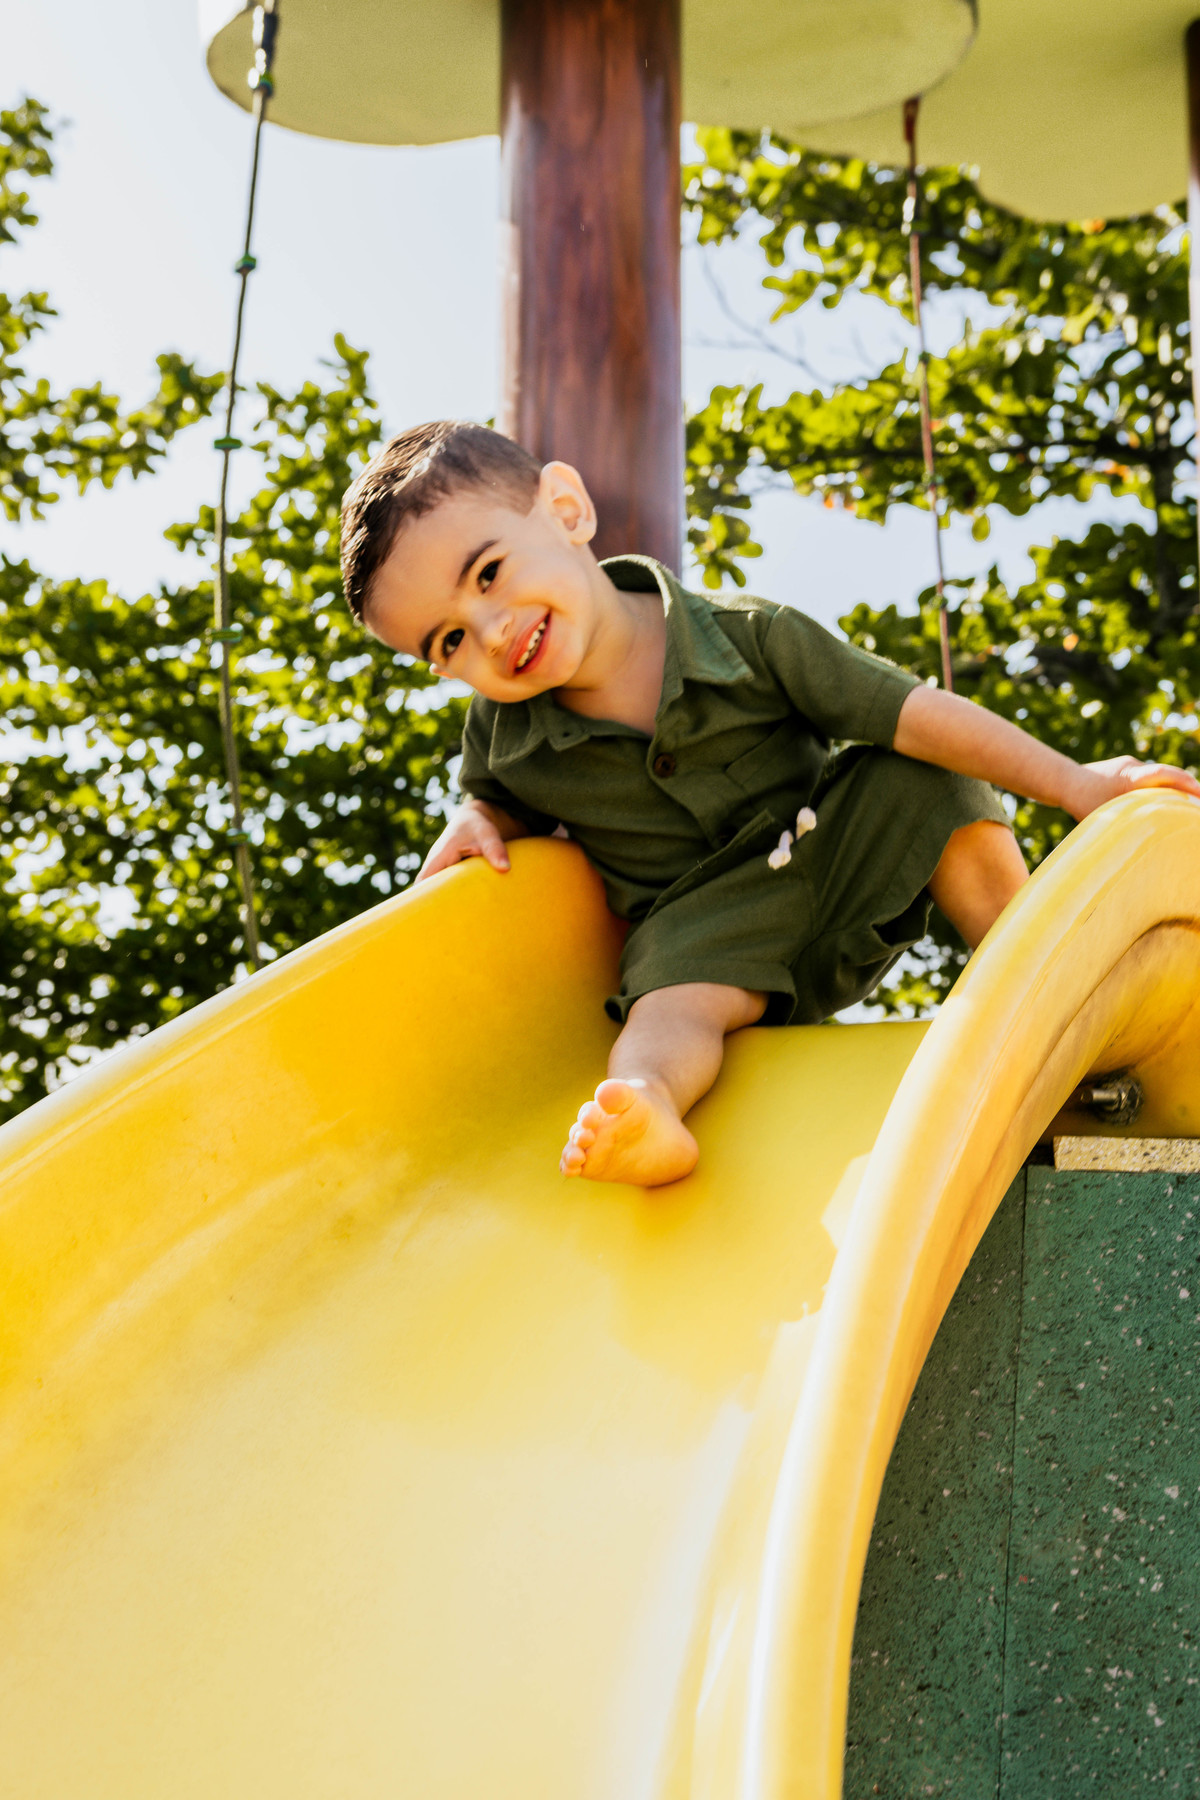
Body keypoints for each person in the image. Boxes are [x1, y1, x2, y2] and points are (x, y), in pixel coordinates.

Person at [340, 419, 1200, 1188]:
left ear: (565, 509)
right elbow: (492, 801)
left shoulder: (751, 635)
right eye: (449, 640)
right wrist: (477, 819)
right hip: (704, 933)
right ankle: (646, 1107)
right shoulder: (504, 735)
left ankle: (1045, 1007)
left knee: (926, 778)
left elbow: (916, 714)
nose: (490, 632)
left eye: (489, 573)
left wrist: (1078, 784)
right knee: (662, 1009)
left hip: (833, 859)